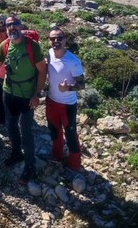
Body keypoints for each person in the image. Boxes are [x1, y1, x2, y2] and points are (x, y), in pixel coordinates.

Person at [0, 15, 47, 184]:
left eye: (15, 24)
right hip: (8, 92)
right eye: (9, 25)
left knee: (26, 130)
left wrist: (37, 94)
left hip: (27, 95)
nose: (12, 28)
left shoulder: (32, 46)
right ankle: (16, 153)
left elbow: (43, 71)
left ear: (20, 25)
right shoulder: (5, 45)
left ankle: (29, 165)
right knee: (11, 125)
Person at [46, 28, 85, 173]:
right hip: (51, 101)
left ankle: (75, 164)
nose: (56, 41)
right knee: (54, 131)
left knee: (70, 133)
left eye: (59, 38)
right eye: (52, 38)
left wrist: (67, 88)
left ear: (65, 40)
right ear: (49, 40)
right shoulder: (49, 54)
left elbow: (81, 84)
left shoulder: (73, 61)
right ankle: (57, 156)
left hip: (67, 104)